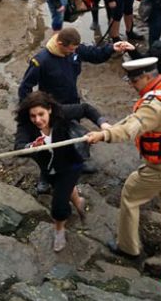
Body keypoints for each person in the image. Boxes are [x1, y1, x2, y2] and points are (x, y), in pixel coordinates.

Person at [85, 57, 161, 263]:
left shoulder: (153, 108)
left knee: (130, 195)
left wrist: (102, 135)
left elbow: (131, 129)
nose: (132, 86)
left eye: (135, 81)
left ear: (147, 77)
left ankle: (128, 247)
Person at [19, 27, 129, 188]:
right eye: (70, 49)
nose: (73, 53)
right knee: (49, 144)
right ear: (60, 44)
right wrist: (32, 112)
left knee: (73, 135)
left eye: (75, 49)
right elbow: (25, 88)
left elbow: (94, 55)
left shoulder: (75, 50)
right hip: (51, 108)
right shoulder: (41, 60)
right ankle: (45, 175)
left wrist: (111, 48)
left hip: (72, 101)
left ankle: (78, 161)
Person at [14, 92, 103, 252]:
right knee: (63, 187)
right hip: (48, 167)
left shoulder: (61, 113)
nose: (37, 120)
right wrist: (31, 146)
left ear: (49, 110)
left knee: (58, 204)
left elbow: (85, 109)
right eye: (33, 116)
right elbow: (19, 147)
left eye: (41, 114)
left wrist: (104, 125)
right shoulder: (26, 125)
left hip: (71, 163)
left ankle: (59, 229)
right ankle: (79, 201)